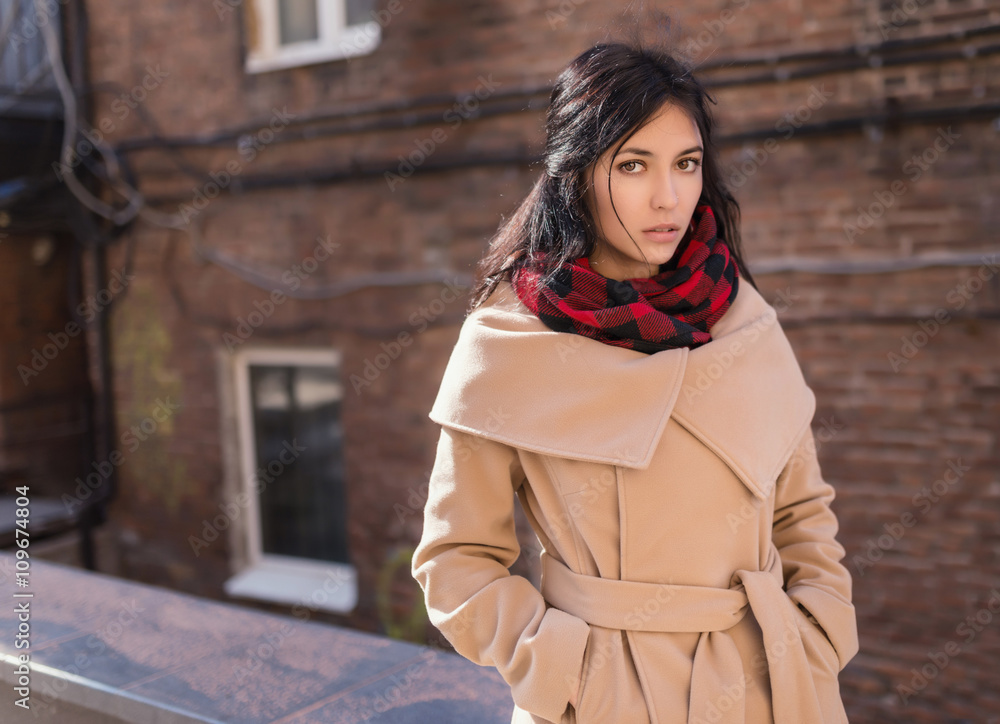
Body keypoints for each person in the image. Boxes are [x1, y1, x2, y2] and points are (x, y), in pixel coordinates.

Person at [411, 38, 859, 724]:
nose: (667, 197)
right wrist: (568, 671)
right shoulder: (510, 344)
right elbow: (457, 561)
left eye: (686, 164)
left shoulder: (742, 318)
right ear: (576, 175)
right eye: (632, 165)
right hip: (606, 701)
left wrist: (818, 633)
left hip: (771, 691)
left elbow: (803, 515)